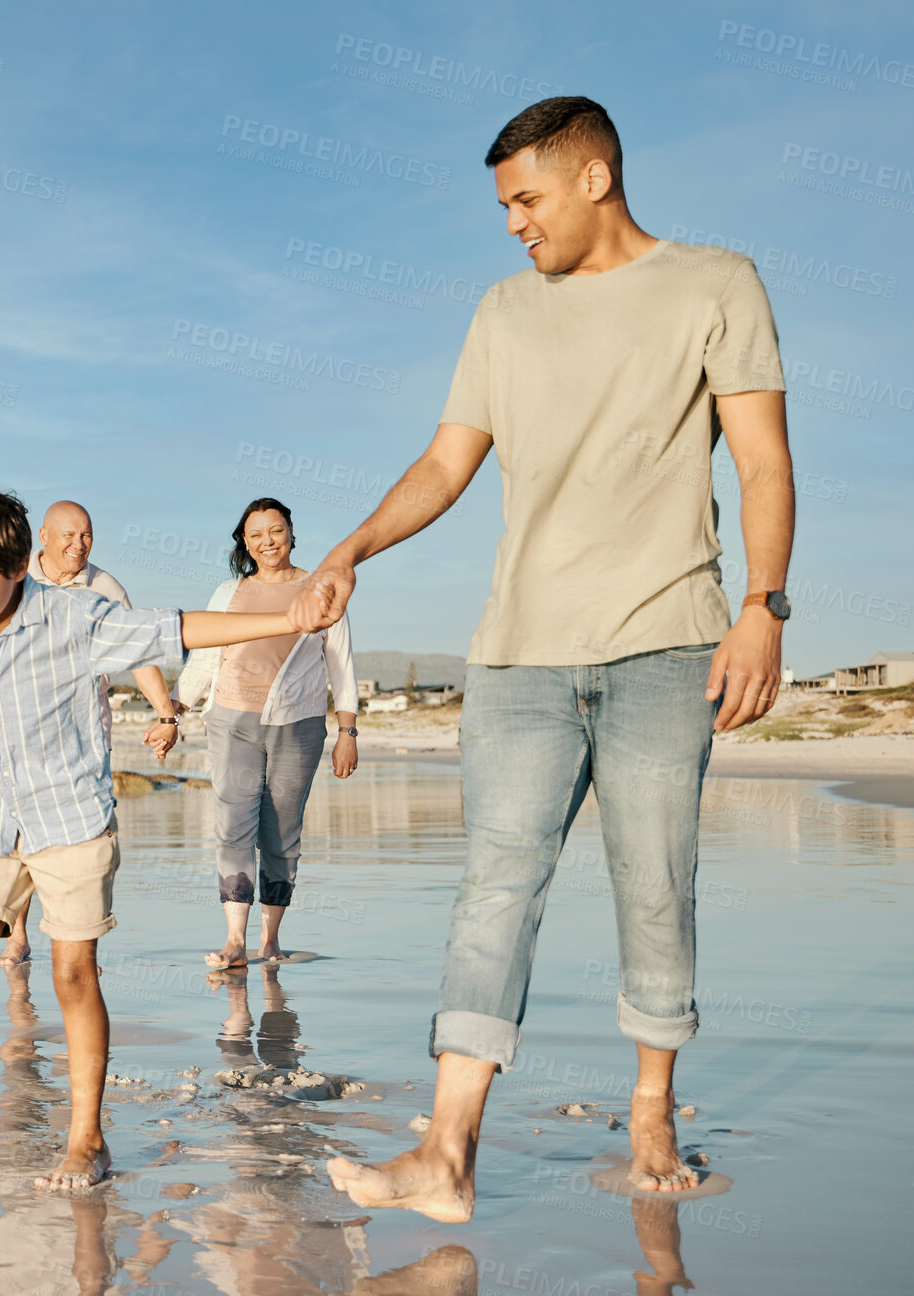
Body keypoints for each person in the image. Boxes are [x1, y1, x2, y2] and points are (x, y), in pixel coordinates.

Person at [291, 98, 793, 1219]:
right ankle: (445, 1152)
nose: (512, 224)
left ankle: (652, 1108)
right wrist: (350, 548)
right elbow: (444, 460)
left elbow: (761, 461)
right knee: (492, 891)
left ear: (593, 178)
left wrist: (762, 606)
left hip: (668, 639)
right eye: (503, 205)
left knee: (653, 886)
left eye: (523, 199)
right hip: (516, 653)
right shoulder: (503, 311)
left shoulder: (717, 284)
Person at [0, 480, 321, 1189]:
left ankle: (86, 1141)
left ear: (16, 567)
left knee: (72, 975)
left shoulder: (74, 618)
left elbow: (178, 629)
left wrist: (288, 618)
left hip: (69, 822)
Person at [0, 498, 182, 969]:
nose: (79, 546)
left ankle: (76, 939)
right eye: (69, 536)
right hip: (18, 728)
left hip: (83, 733)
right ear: (42, 537)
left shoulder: (104, 587)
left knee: (80, 833)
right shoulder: (16, 577)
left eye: (87, 536)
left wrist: (166, 715)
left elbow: (138, 648)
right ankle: (17, 935)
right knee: (20, 832)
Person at [174, 498, 358, 969]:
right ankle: (235, 940)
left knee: (281, 835)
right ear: (245, 543)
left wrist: (347, 729)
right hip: (231, 721)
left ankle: (270, 939)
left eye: (275, 531)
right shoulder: (228, 592)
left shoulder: (320, 589)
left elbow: (340, 661)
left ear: (291, 532)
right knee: (233, 826)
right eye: (256, 535)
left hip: (299, 725)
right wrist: (172, 711)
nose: (267, 542)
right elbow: (206, 656)